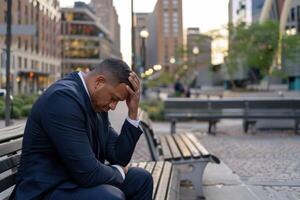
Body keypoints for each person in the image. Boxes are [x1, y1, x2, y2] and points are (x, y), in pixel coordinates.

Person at [11, 58, 153, 200]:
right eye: (113, 98)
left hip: (74, 183)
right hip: (46, 190)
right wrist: (119, 172)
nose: (113, 106)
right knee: (109, 197)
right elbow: (88, 173)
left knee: (141, 179)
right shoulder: (63, 99)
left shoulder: (96, 102)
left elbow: (118, 156)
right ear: (99, 82)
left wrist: (133, 112)